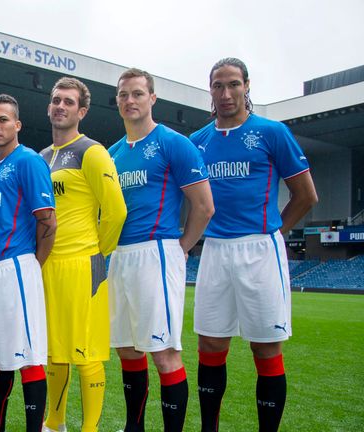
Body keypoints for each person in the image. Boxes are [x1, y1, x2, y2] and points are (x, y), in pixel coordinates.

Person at [191, 58, 318, 432]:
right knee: (211, 346)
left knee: (265, 347)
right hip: (214, 250)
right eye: (218, 85)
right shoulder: (198, 142)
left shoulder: (271, 132)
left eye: (233, 84)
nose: (226, 93)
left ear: (247, 85)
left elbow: (306, 195)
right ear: (210, 89)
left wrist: (276, 233)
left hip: (260, 250)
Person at [107, 68, 214, 432]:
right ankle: (133, 427)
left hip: (156, 251)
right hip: (119, 256)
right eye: (123, 95)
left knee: (163, 352)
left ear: (152, 98)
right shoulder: (113, 153)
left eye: (137, 93)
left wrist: (182, 247)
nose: (130, 101)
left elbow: (203, 206)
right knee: (127, 348)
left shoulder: (173, 143)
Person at [39, 77, 127, 432]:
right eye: (56, 99)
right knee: (54, 350)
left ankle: (89, 429)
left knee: (86, 352)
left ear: (82, 111)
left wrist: (96, 251)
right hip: (48, 264)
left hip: (83, 263)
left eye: (69, 102)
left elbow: (116, 211)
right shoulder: (43, 156)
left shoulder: (92, 151)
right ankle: (54, 422)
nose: (60, 106)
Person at [0, 94, 57, 432]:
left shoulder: (28, 161)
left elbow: (48, 221)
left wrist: (32, 263)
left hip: (15, 266)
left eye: (3, 120)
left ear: (17, 125)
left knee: (28, 354)